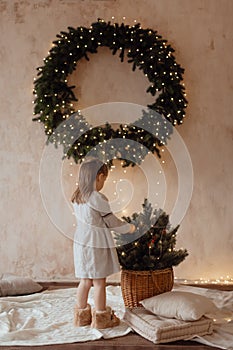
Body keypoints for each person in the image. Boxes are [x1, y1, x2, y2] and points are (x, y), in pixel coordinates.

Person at [71, 158, 135, 329]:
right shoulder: (97, 197)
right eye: (104, 180)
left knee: (85, 280)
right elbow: (111, 222)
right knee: (99, 282)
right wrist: (129, 228)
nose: (103, 184)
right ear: (98, 177)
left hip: (80, 242)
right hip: (95, 243)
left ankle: (81, 316)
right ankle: (101, 318)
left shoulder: (77, 197)